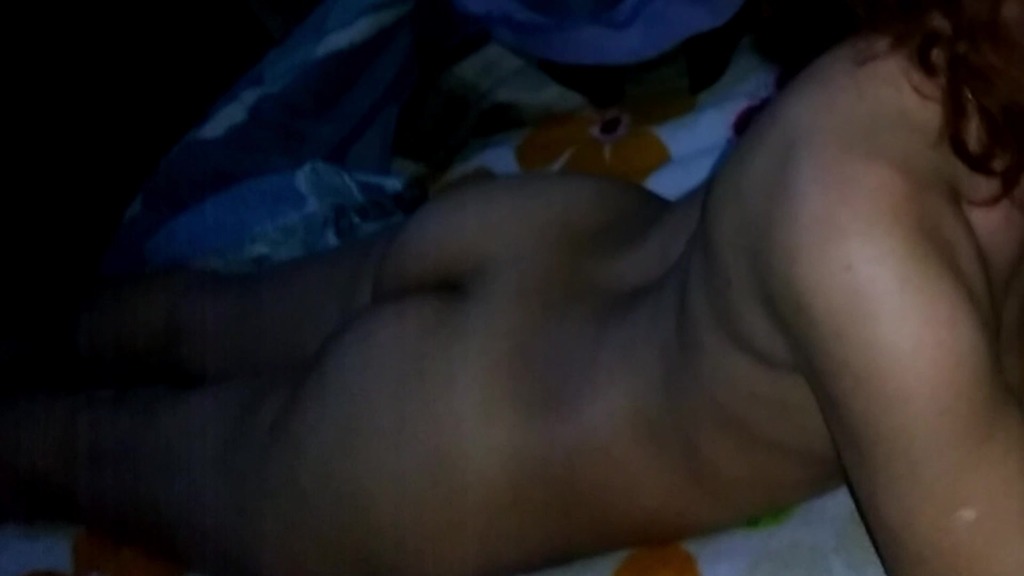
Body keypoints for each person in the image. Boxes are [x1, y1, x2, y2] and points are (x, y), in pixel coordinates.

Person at [2, 2, 1021, 576]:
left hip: (542, 244)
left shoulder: (926, 65)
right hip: (435, 445)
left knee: (192, 319)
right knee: (99, 454)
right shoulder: (878, 250)